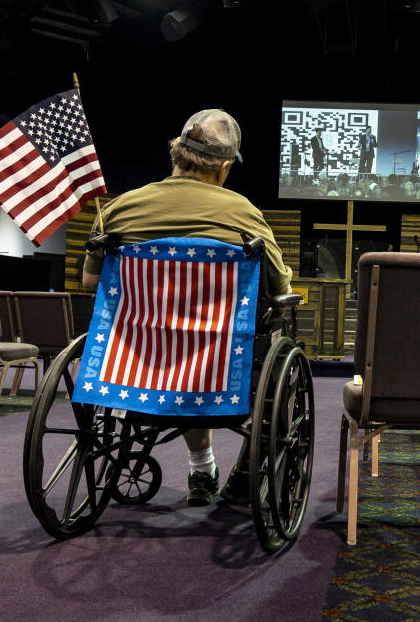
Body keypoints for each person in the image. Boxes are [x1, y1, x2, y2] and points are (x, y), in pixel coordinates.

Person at [82, 109, 292, 508]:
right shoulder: (243, 213)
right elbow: (280, 288)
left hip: (136, 365)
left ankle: (202, 467)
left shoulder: (120, 208)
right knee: (277, 335)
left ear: (176, 152)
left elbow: (92, 283)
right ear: (225, 166)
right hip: (215, 368)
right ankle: (241, 470)